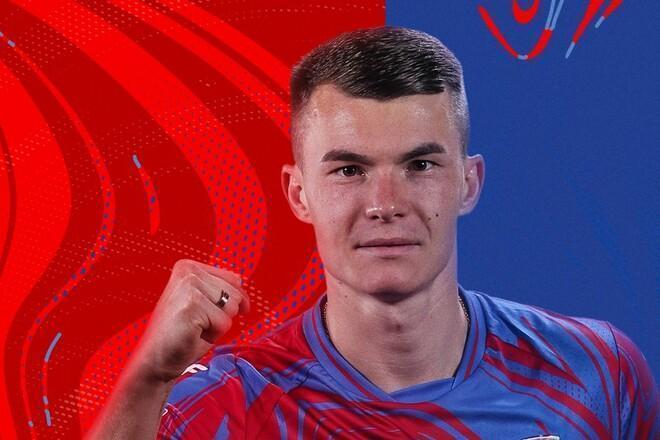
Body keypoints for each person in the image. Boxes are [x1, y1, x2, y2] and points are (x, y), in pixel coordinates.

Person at [88, 27, 658, 439]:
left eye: (420, 165)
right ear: (298, 194)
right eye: (349, 170)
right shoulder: (224, 402)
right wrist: (147, 378)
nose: (385, 204)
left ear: (469, 183)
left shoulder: (594, 372)